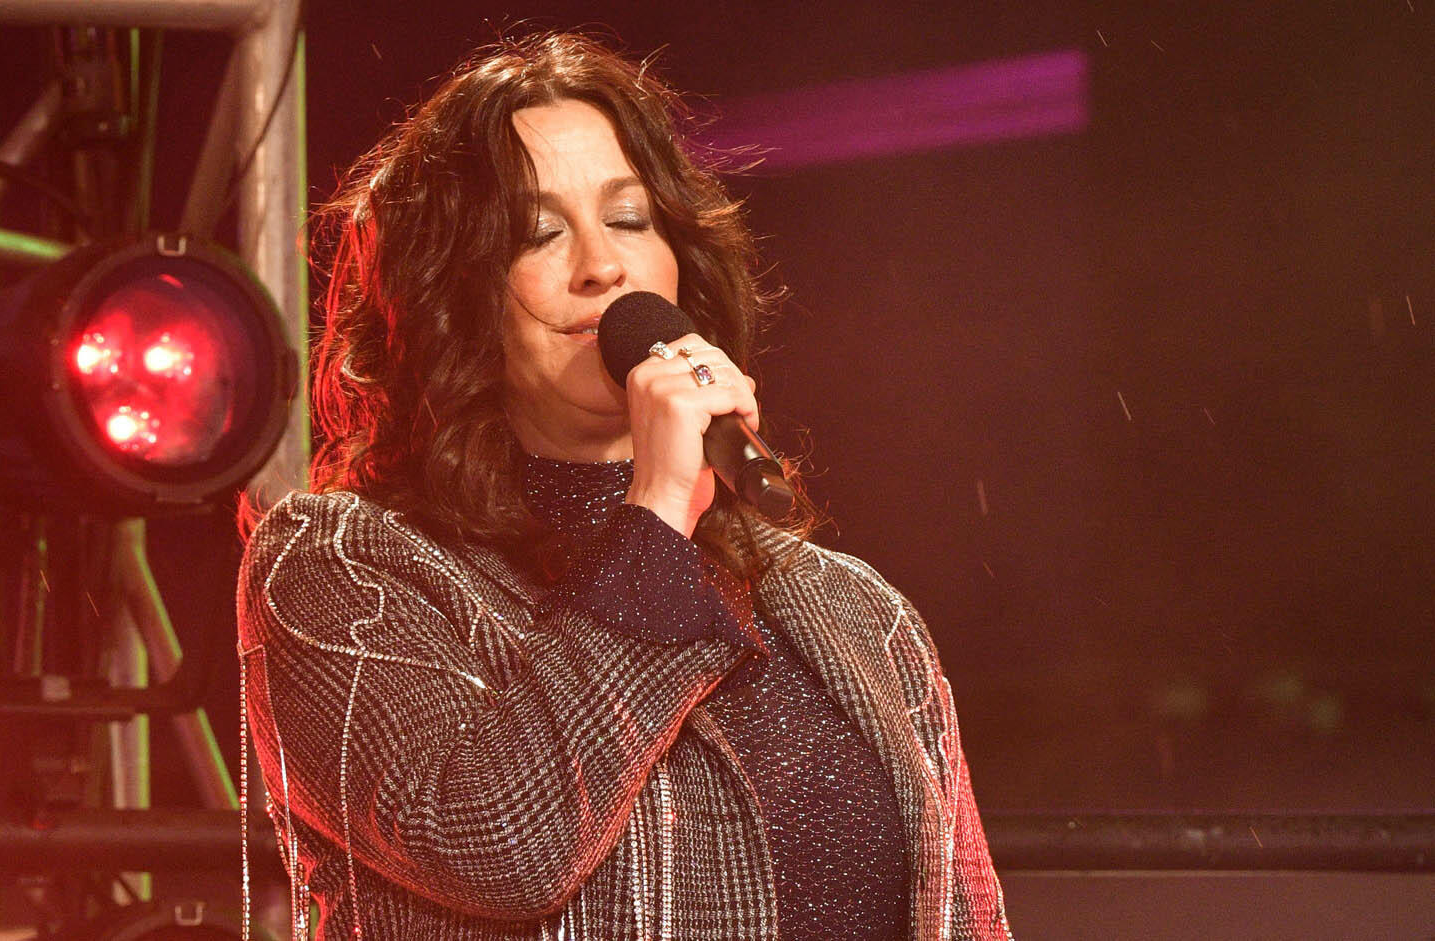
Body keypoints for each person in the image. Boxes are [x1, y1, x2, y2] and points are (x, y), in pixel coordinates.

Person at [236, 31, 1010, 940]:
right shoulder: (338, 567)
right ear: (451, 293)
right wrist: (657, 515)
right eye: (539, 233)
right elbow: (502, 846)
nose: (602, 265)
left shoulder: (857, 613)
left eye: (631, 219)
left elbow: (967, 918)